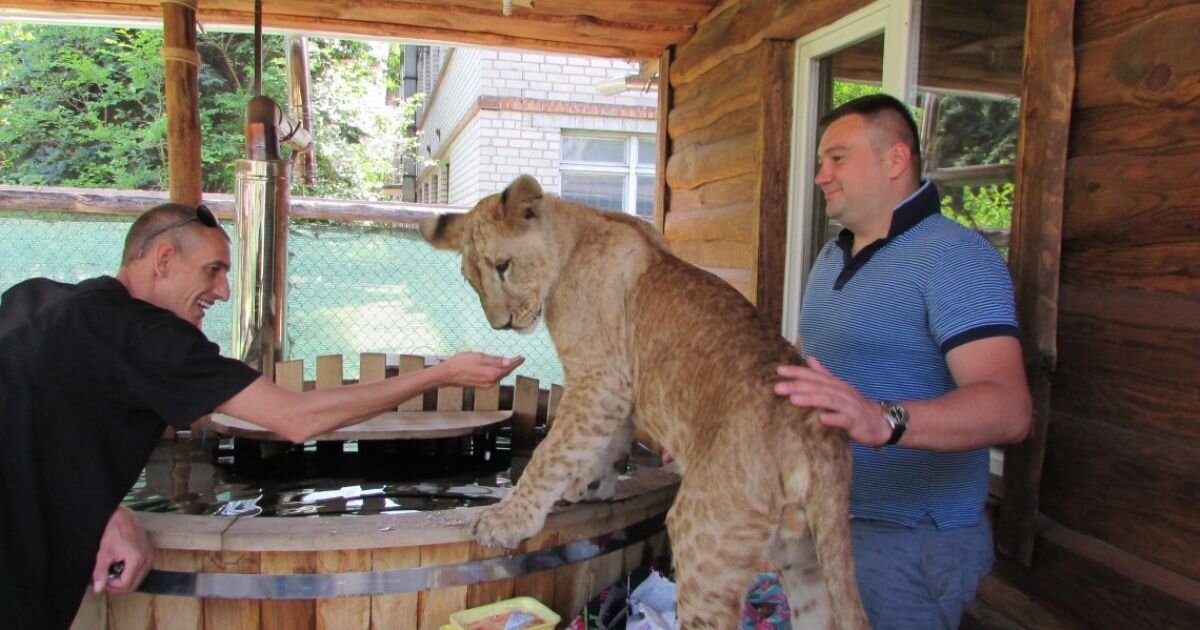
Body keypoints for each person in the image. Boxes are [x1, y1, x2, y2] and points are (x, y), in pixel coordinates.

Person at [0, 202, 523, 629]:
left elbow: (45, 426)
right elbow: (294, 417)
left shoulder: (30, 301)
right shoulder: (149, 336)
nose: (223, 291)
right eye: (213, 270)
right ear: (162, 259)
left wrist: (105, 508)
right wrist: (438, 375)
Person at [773, 94, 1031, 629]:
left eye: (837, 158)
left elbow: (1009, 409)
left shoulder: (954, 256)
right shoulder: (830, 257)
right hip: (821, 522)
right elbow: (809, 373)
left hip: (906, 544)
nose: (821, 176)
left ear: (895, 159)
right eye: (820, 162)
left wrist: (883, 419)